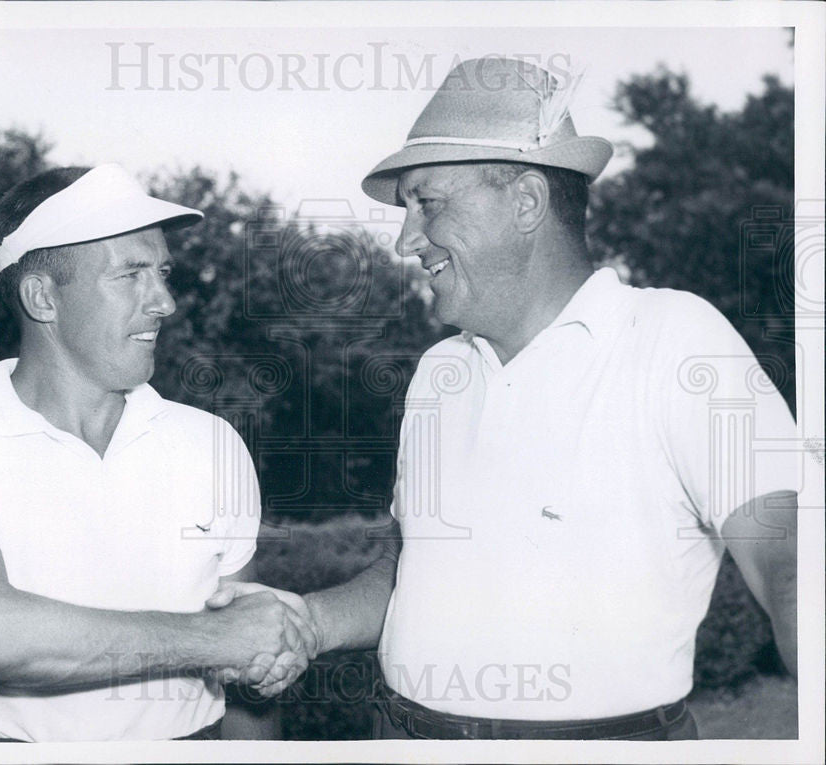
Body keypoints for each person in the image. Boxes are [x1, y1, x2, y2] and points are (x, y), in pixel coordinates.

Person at [210, 57, 799, 739]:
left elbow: (791, 565)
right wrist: (307, 622)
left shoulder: (674, 338)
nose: (405, 239)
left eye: (427, 202)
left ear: (526, 201)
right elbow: (412, 565)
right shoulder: (439, 371)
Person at [0, 164, 316, 742]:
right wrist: (218, 640)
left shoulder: (210, 443)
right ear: (42, 298)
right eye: (130, 274)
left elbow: (250, 672)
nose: (165, 302)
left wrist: (252, 656)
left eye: (162, 272)